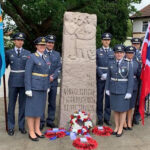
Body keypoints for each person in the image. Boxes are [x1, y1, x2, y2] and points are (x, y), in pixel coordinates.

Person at [25, 37, 51, 141]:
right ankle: (31, 131)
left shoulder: (46, 57)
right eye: (40, 45)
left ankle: (37, 129)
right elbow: (27, 73)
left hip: (43, 87)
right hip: (34, 87)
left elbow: (47, 73)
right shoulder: (32, 57)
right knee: (31, 111)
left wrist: (48, 85)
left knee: (39, 110)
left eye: (44, 45)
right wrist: (28, 88)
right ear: (36, 46)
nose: (42, 47)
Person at [105, 44, 133, 137]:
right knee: (115, 110)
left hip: (123, 90)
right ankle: (116, 127)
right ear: (114, 53)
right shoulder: (111, 63)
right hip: (113, 89)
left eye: (121, 52)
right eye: (117, 52)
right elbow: (108, 77)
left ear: (124, 53)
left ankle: (121, 128)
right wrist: (107, 88)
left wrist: (129, 92)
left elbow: (131, 79)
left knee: (123, 110)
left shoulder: (128, 63)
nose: (119, 54)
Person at [5, 32, 30, 136]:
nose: (20, 42)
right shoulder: (8, 52)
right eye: (18, 40)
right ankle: (11, 126)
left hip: (24, 82)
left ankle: (21, 126)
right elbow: (4, 66)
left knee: (23, 105)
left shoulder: (28, 53)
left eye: (22, 40)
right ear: (14, 41)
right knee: (11, 105)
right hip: (13, 81)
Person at [40, 35, 61, 129]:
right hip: (43, 81)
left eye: (52, 43)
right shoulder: (41, 52)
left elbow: (59, 67)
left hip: (53, 81)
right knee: (41, 102)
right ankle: (40, 121)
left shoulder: (57, 54)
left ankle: (50, 120)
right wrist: (46, 77)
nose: (50, 44)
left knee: (52, 102)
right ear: (45, 43)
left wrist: (54, 76)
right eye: (48, 42)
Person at [96, 33, 114, 126]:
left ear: (110, 41)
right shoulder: (97, 51)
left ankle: (107, 118)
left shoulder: (113, 52)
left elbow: (115, 65)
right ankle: (99, 117)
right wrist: (101, 74)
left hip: (110, 78)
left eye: (108, 40)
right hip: (100, 77)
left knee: (108, 98)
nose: (106, 41)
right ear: (102, 41)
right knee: (99, 98)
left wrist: (109, 75)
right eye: (105, 39)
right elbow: (95, 64)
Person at [123, 46, 141, 130]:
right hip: (124, 85)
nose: (130, 54)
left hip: (133, 86)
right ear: (125, 53)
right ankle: (124, 122)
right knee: (123, 105)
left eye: (131, 53)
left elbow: (138, 75)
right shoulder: (122, 62)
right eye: (128, 53)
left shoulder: (136, 63)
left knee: (130, 106)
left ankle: (129, 122)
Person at [131, 37, 142, 125]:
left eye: (137, 44)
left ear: (140, 45)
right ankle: (129, 117)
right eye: (134, 44)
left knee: (140, 99)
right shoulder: (129, 53)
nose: (135, 45)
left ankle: (136, 117)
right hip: (133, 79)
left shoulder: (144, 53)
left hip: (142, 79)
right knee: (131, 99)